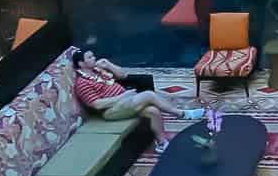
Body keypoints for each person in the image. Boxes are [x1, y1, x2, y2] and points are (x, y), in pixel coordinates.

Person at [69, 49, 203, 143]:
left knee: (153, 111)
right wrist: (123, 96)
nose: (94, 59)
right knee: (149, 95)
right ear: (81, 64)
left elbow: (122, 75)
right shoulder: (82, 83)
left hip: (124, 101)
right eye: (90, 58)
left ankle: (162, 142)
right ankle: (181, 114)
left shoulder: (98, 71)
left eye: (93, 56)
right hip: (110, 110)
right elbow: (97, 104)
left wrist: (108, 64)